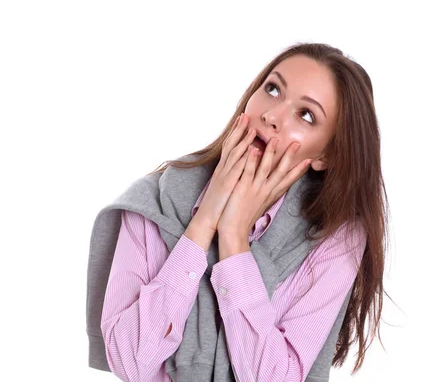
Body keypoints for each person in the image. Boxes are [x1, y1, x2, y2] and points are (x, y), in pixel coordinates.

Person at [91, 42, 389, 381]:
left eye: (306, 115)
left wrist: (233, 236)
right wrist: (204, 223)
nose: (271, 116)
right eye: (273, 89)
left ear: (326, 155)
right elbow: (128, 361)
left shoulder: (334, 237)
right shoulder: (156, 200)